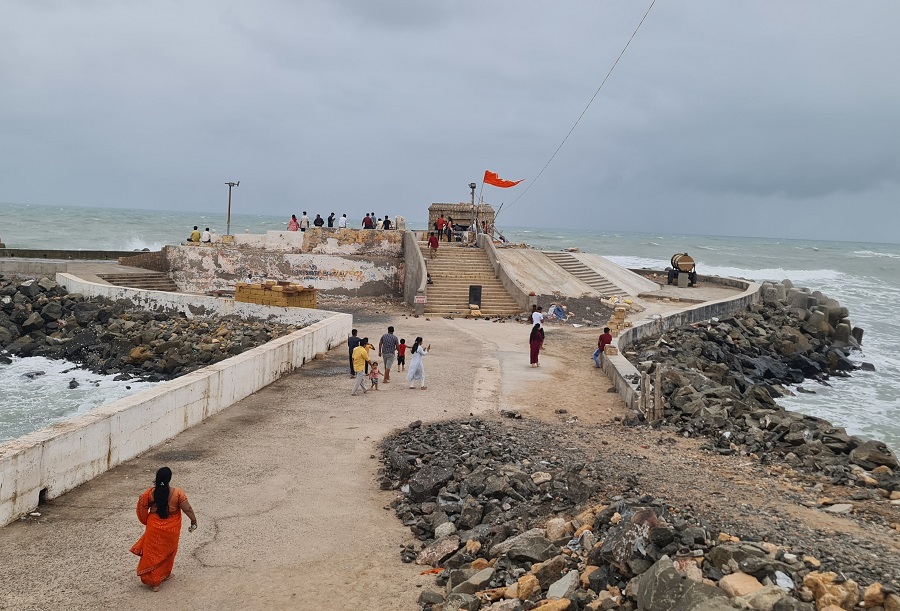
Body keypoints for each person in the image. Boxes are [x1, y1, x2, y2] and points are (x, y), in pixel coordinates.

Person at [130, 467, 198, 592]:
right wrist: (193, 520)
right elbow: (187, 508)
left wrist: (146, 520)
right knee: (168, 551)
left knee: (152, 554)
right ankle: (164, 574)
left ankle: (155, 582)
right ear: (169, 479)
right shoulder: (177, 493)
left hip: (154, 527)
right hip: (171, 529)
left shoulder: (151, 493)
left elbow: (142, 503)